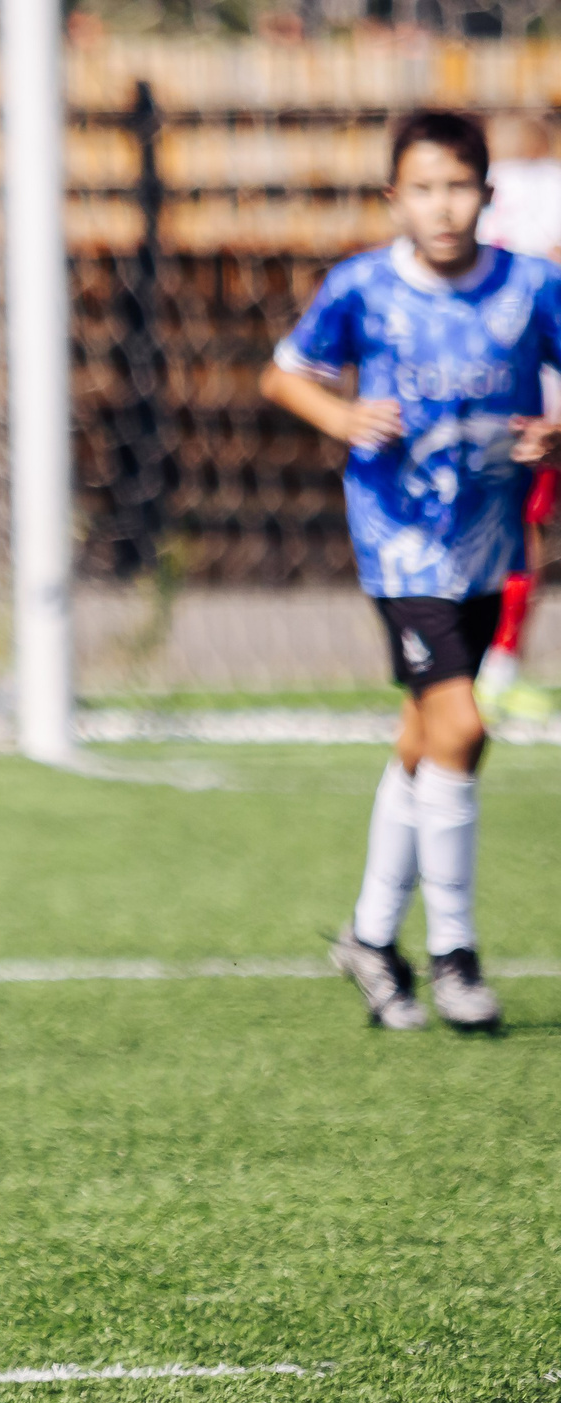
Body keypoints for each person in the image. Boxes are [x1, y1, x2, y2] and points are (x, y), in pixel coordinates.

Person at [263, 109, 561, 1034]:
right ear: (395, 199)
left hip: (488, 539)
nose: (442, 207)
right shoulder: (363, 288)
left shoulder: (531, 288)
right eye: (423, 189)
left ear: (488, 195)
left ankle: (367, 936)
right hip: (398, 543)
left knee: (423, 736)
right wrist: (340, 417)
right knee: (463, 726)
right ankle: (455, 954)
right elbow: (284, 375)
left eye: (459, 187)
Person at [475, 111, 561, 724]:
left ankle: (474, 665)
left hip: (477, 389)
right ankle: (494, 670)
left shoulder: (472, 195)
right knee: (521, 536)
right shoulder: (549, 190)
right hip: (541, 395)